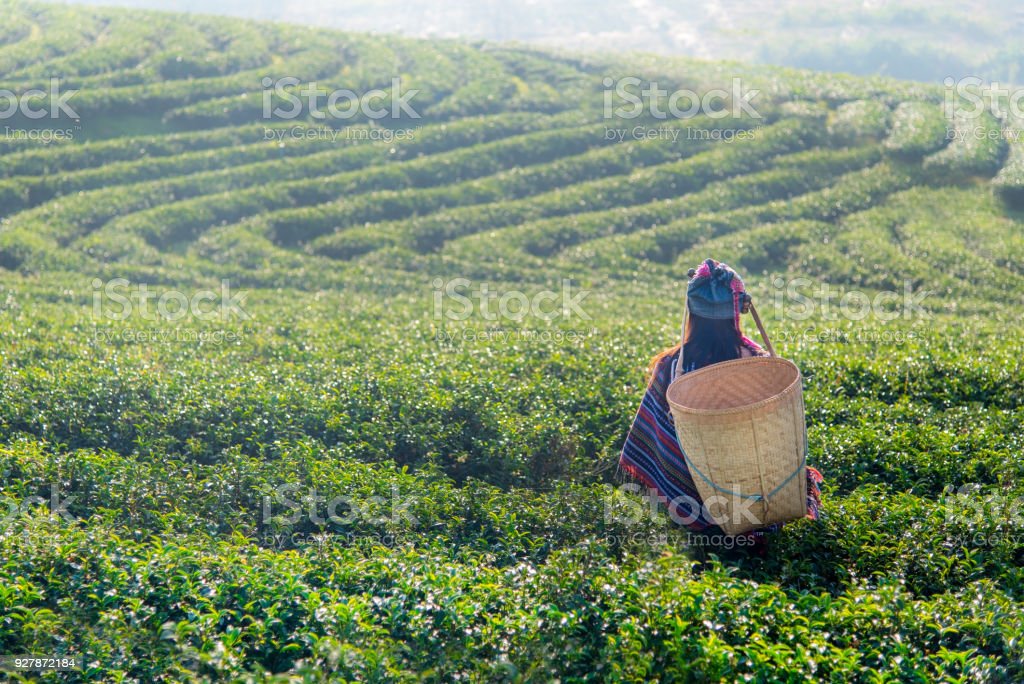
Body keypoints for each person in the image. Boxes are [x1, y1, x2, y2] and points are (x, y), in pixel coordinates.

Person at [618, 258, 823, 543]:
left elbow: (653, 434)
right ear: (738, 312)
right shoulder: (759, 363)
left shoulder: (673, 365)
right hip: (762, 490)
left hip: (697, 502)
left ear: (691, 313)